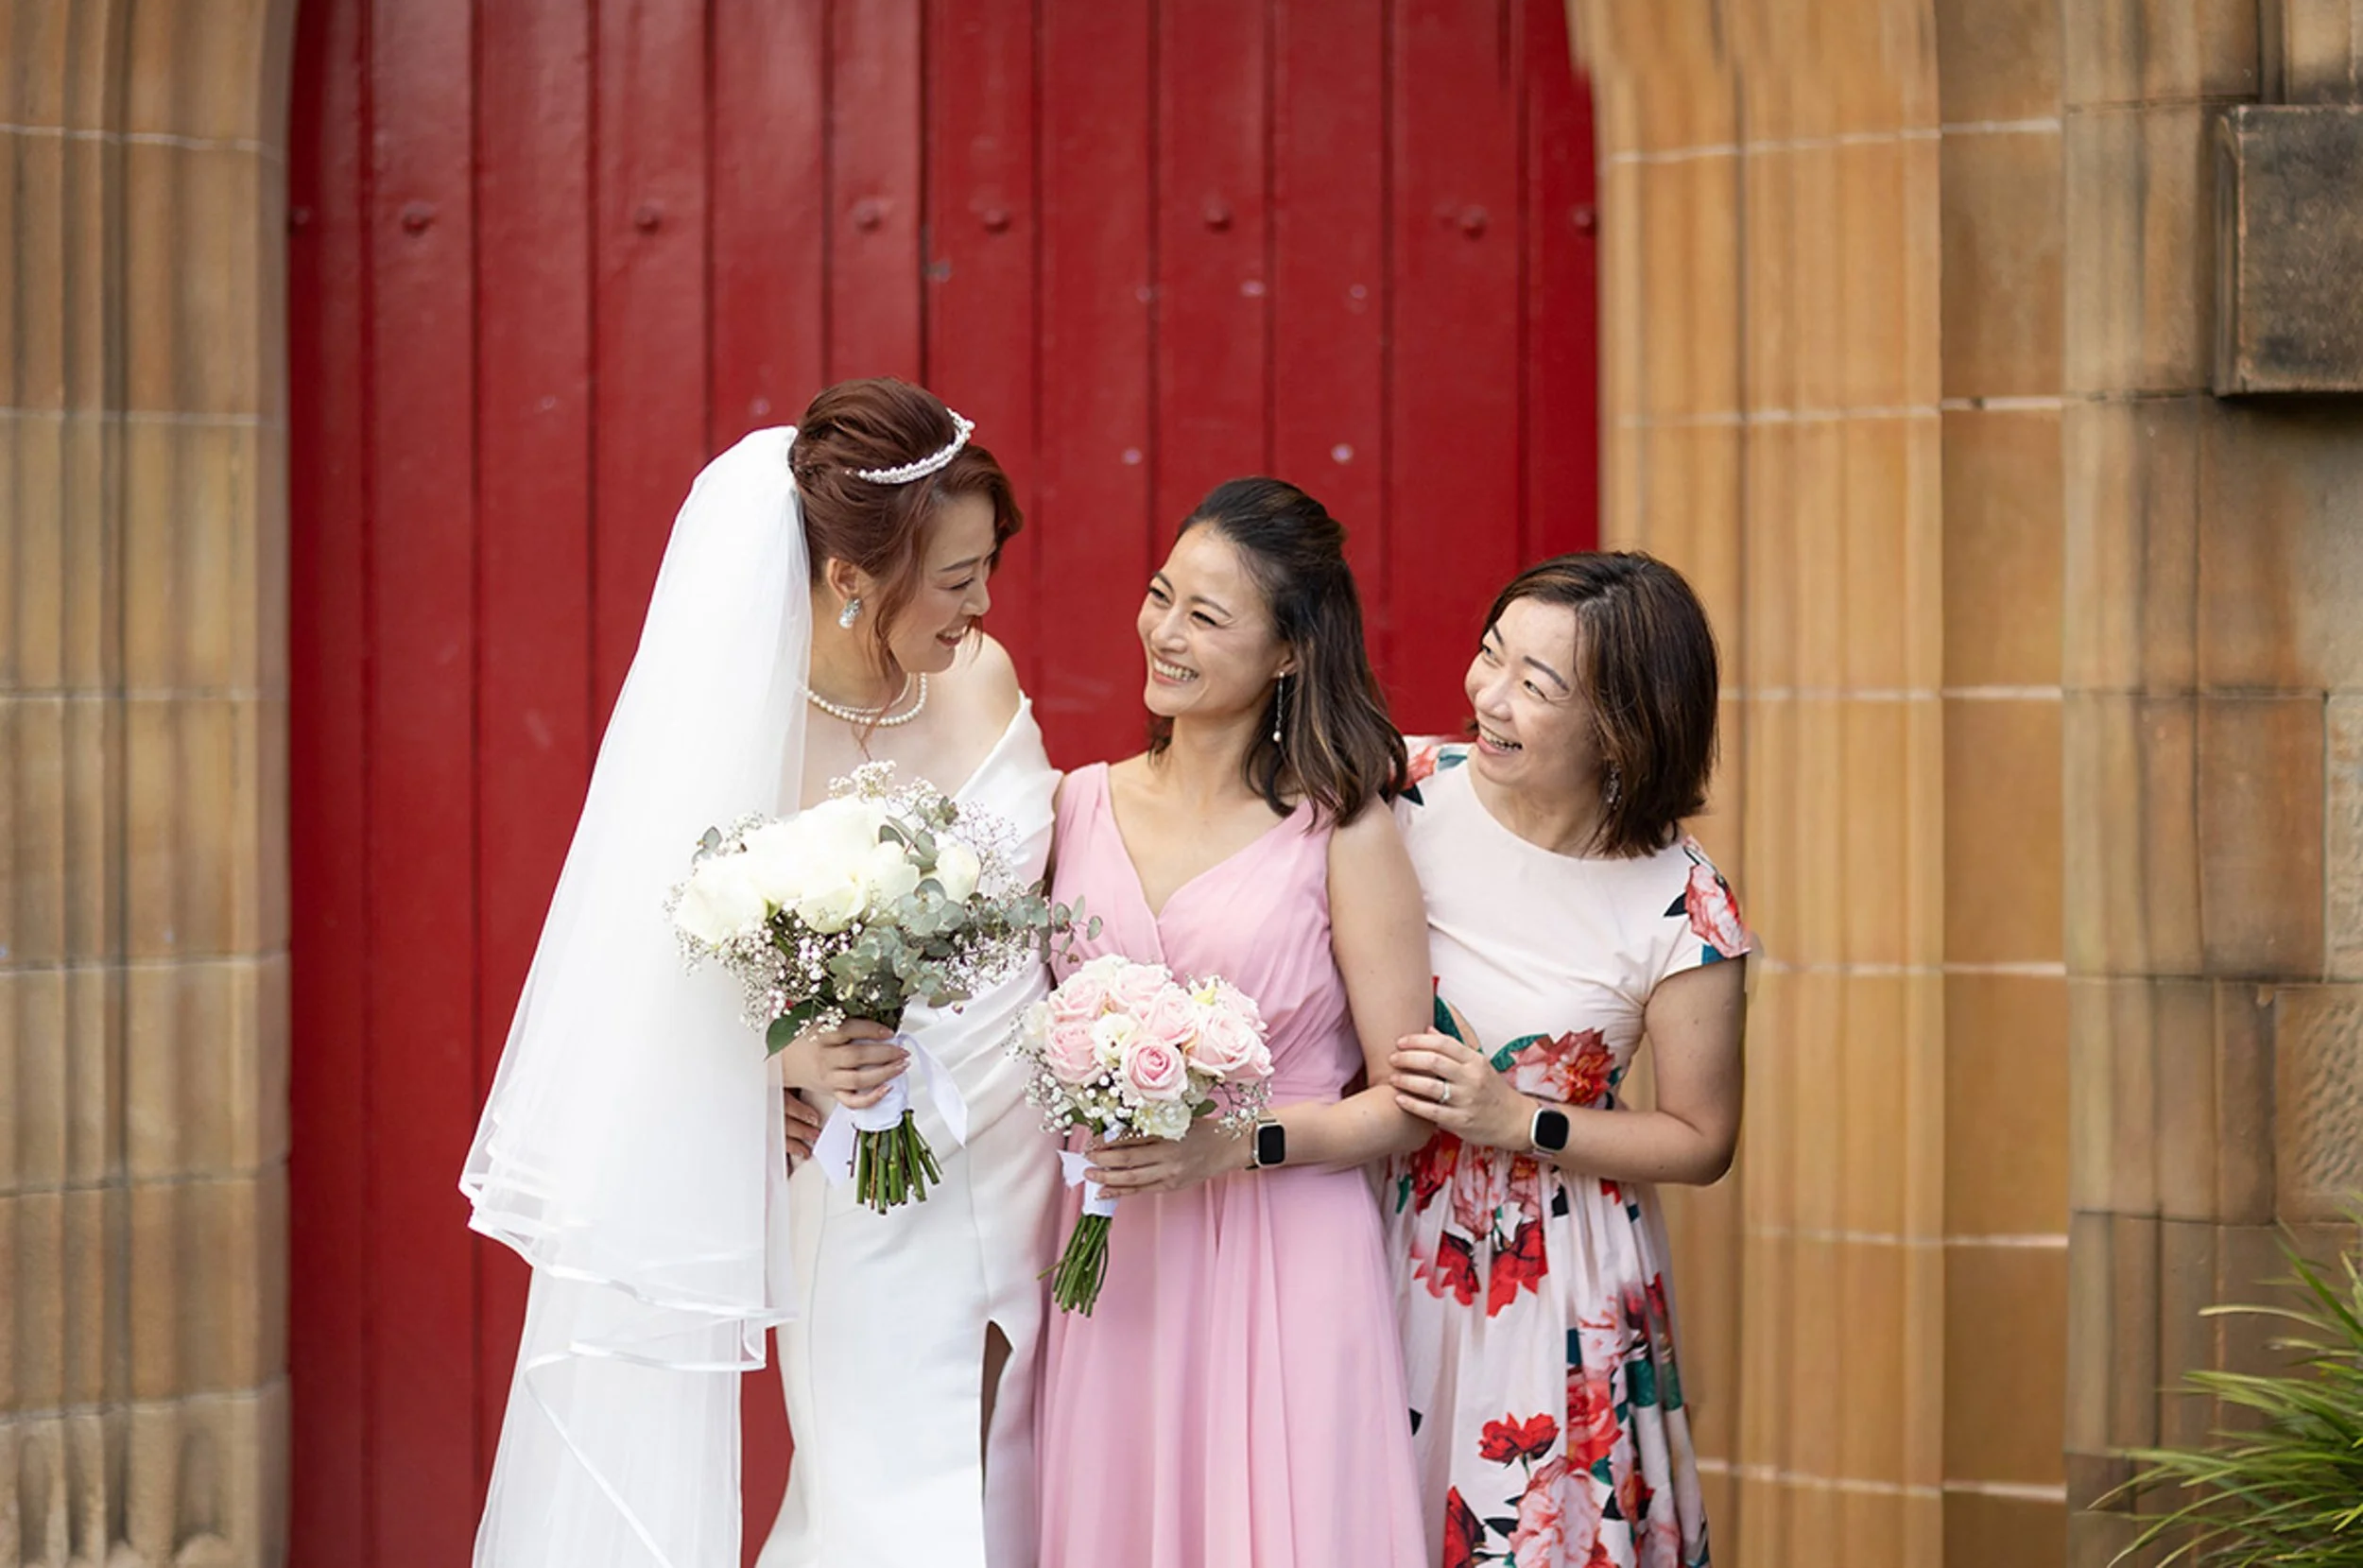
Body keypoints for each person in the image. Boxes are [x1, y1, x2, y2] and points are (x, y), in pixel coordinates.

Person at [463, 380, 1061, 1568]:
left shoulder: (981, 678)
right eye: (954, 579)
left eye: (987, 568)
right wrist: (787, 1052)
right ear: (851, 578)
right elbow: (653, 984)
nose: (981, 605)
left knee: (1024, 1480)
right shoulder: (741, 733)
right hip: (867, 1176)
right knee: (891, 1496)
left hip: (1032, 1154)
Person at [1034, 477, 1433, 1568]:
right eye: (1161, 595)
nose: (1162, 632)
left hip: (1289, 1247)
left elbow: (1407, 1102)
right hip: (1118, 1253)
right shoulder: (1071, 803)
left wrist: (1237, 1141)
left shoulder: (1341, 828)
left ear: (1290, 652)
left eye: (1206, 617)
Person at [1384, 551, 1751, 1568]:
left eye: (1534, 686)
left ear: (1622, 723)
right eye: (1490, 654)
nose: (1487, 696)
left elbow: (1701, 1138)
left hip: (1549, 1269)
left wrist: (1518, 1119)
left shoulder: (1680, 902)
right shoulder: (1402, 788)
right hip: (1367, 1221)